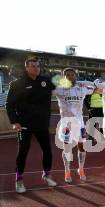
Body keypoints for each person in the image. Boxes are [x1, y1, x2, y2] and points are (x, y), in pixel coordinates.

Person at [6, 58, 57, 193]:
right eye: (33, 66)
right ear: (26, 68)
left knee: (47, 150)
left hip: (42, 124)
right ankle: (19, 180)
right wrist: (14, 121)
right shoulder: (17, 84)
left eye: (37, 66)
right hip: (25, 125)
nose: (36, 68)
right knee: (23, 152)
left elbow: (64, 86)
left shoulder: (45, 81)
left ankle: (46, 175)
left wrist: (79, 84)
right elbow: (9, 105)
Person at [53, 68, 97, 183]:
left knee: (81, 147)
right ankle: (67, 171)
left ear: (75, 76)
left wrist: (88, 83)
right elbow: (44, 91)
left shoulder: (81, 88)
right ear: (64, 77)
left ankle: (81, 169)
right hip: (66, 123)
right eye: (67, 75)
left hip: (79, 123)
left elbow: (97, 90)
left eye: (72, 75)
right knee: (67, 148)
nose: (70, 76)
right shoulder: (59, 89)